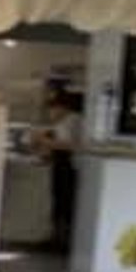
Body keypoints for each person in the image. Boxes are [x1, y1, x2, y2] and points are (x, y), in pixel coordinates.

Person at [35, 92, 82, 253]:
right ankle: (57, 238)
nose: (51, 113)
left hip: (69, 166)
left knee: (65, 203)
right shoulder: (62, 122)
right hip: (61, 165)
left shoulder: (74, 120)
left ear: (62, 107)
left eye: (53, 108)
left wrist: (47, 142)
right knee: (58, 202)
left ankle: (64, 241)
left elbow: (74, 145)